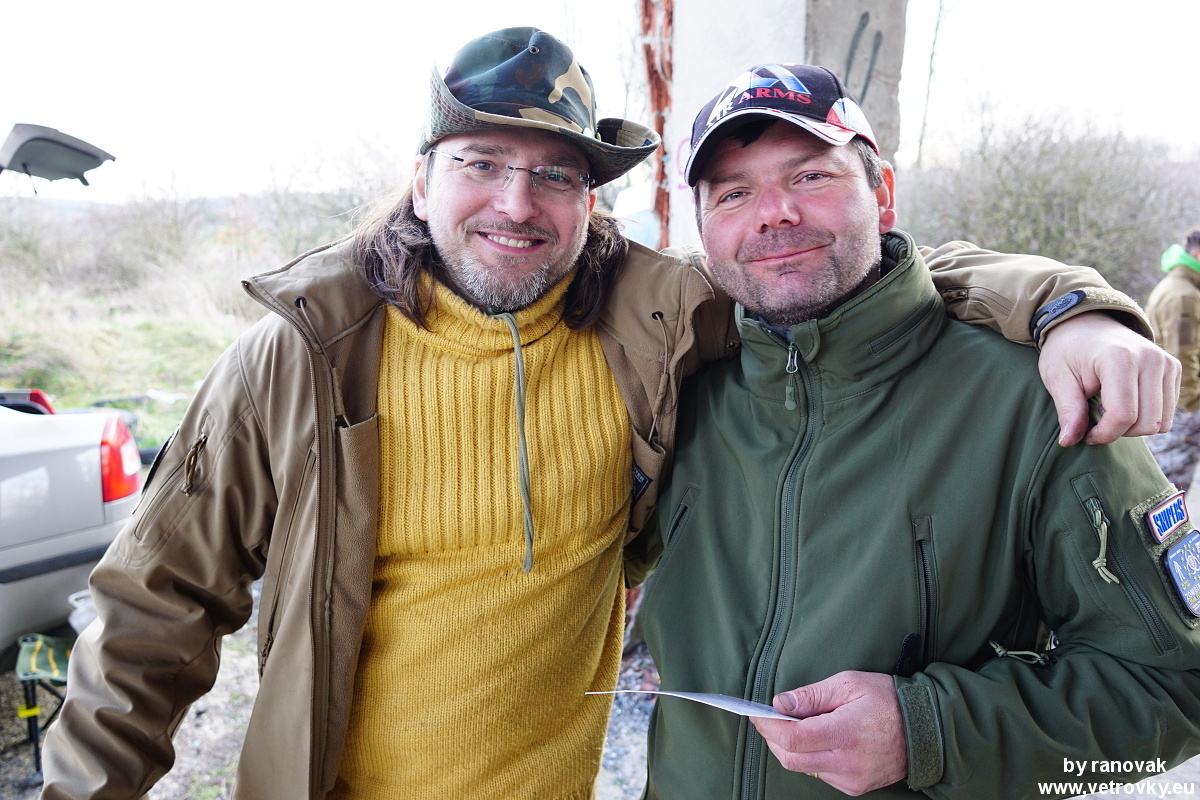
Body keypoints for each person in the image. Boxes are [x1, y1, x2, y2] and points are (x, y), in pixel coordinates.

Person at [39, 30, 1177, 800]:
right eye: (481, 161)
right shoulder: (299, 360)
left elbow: (865, 290)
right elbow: (151, 611)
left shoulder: (657, 336)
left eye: (557, 175)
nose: (516, 202)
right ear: (423, 177)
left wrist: (1064, 304)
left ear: (594, 201)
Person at [637, 63, 1200, 800]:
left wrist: (930, 731)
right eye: (733, 193)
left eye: (810, 176)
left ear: (883, 194)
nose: (773, 213)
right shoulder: (674, 395)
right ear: (704, 231)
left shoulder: (1039, 401)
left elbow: (1175, 691)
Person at [1147, 230, 1200, 491]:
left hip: (1176, 400)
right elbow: (1182, 355)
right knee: (1169, 488)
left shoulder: (1184, 288)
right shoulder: (1183, 296)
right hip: (1180, 406)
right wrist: (1190, 405)